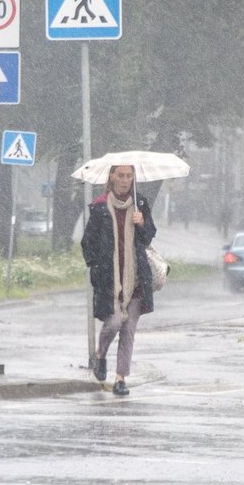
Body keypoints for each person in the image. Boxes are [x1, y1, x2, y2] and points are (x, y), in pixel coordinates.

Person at [80, 165, 156, 396]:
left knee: (128, 330)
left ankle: (120, 379)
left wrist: (142, 224)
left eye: (129, 176)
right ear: (112, 177)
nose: (125, 180)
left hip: (135, 279)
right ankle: (100, 355)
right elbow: (87, 243)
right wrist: (97, 266)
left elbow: (149, 235)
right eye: (121, 175)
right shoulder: (100, 206)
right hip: (110, 280)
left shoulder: (139, 204)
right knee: (113, 324)